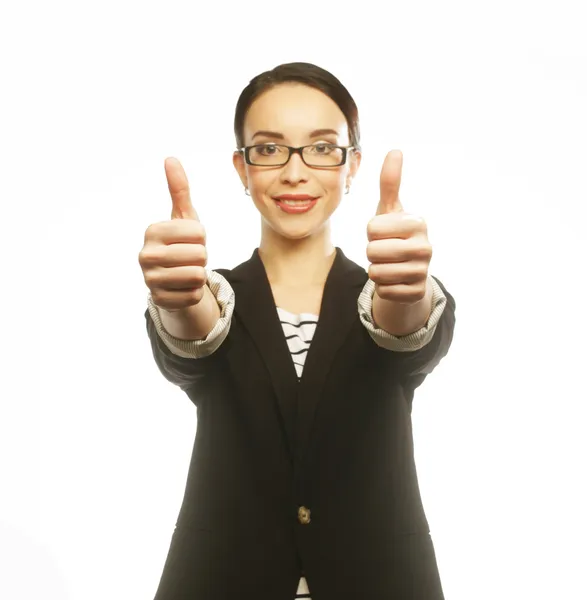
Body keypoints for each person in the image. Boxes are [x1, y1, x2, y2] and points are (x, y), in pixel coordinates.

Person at [139, 62, 456, 600]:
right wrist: (178, 300)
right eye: (267, 149)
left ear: (352, 165)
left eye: (322, 147)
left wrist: (408, 292)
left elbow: (402, 329)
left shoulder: (387, 293)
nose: (294, 171)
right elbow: (195, 334)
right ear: (241, 168)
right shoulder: (208, 296)